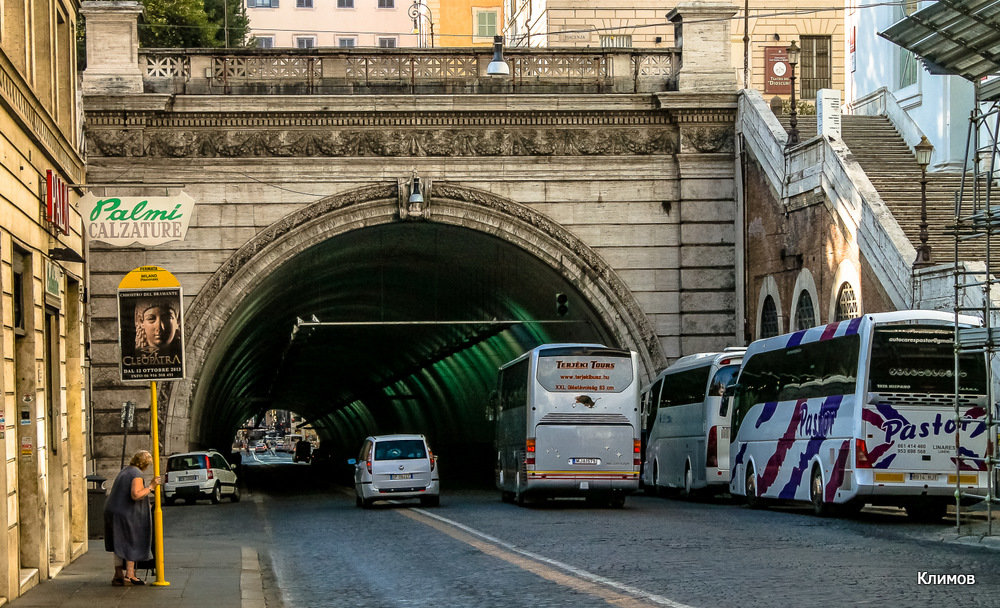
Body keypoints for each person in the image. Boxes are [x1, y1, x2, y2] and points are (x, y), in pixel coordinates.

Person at [104, 450, 160, 586]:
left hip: (112, 511)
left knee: (119, 542)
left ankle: (118, 574)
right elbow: (136, 494)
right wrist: (151, 487)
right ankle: (129, 575)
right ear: (145, 464)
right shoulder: (136, 474)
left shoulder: (125, 471)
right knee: (132, 541)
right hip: (124, 514)